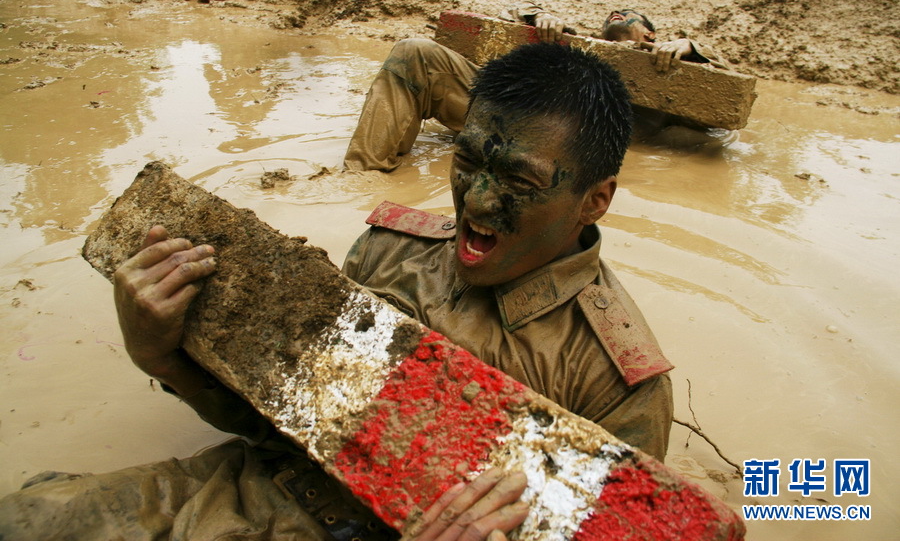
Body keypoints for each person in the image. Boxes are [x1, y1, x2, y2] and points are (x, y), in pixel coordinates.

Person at [0, 44, 673, 540]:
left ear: (596, 200)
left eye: (520, 181)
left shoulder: (615, 384)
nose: (479, 199)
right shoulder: (392, 248)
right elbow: (280, 418)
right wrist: (163, 356)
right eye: (467, 162)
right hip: (242, 493)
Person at [343, 3, 731, 171]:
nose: (616, 14)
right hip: (516, 115)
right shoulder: (579, 48)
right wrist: (538, 17)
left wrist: (695, 50)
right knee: (415, 51)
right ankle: (364, 173)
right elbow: (508, 21)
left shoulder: (677, 67)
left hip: (575, 145)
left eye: (627, 16)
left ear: (651, 33)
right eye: (610, 18)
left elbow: (727, 110)